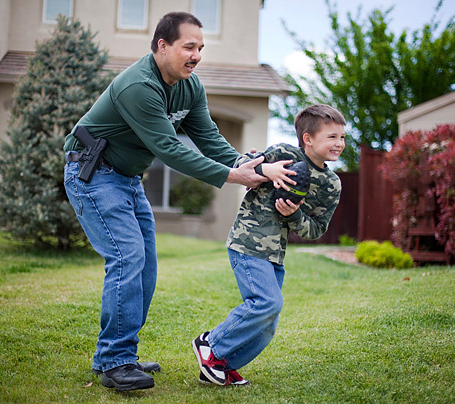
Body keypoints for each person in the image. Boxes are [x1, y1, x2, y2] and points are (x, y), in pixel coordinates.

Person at [63, 12, 294, 391]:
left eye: (200, 47)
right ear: (162, 46)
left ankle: (116, 354)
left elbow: (208, 137)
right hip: (92, 172)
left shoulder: (190, 86)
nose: (196, 55)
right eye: (189, 46)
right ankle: (116, 361)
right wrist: (235, 177)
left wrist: (243, 163)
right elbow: (169, 149)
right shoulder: (138, 85)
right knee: (127, 257)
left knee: (146, 265)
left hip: (125, 177)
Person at [192, 104, 346, 386]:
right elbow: (241, 165)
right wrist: (267, 169)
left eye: (342, 137)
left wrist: (295, 215)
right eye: (332, 137)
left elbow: (317, 229)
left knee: (267, 321)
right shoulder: (283, 154)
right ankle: (210, 344)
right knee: (267, 303)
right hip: (247, 242)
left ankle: (220, 365)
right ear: (308, 139)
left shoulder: (332, 184)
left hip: (275, 253)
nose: (339, 143)